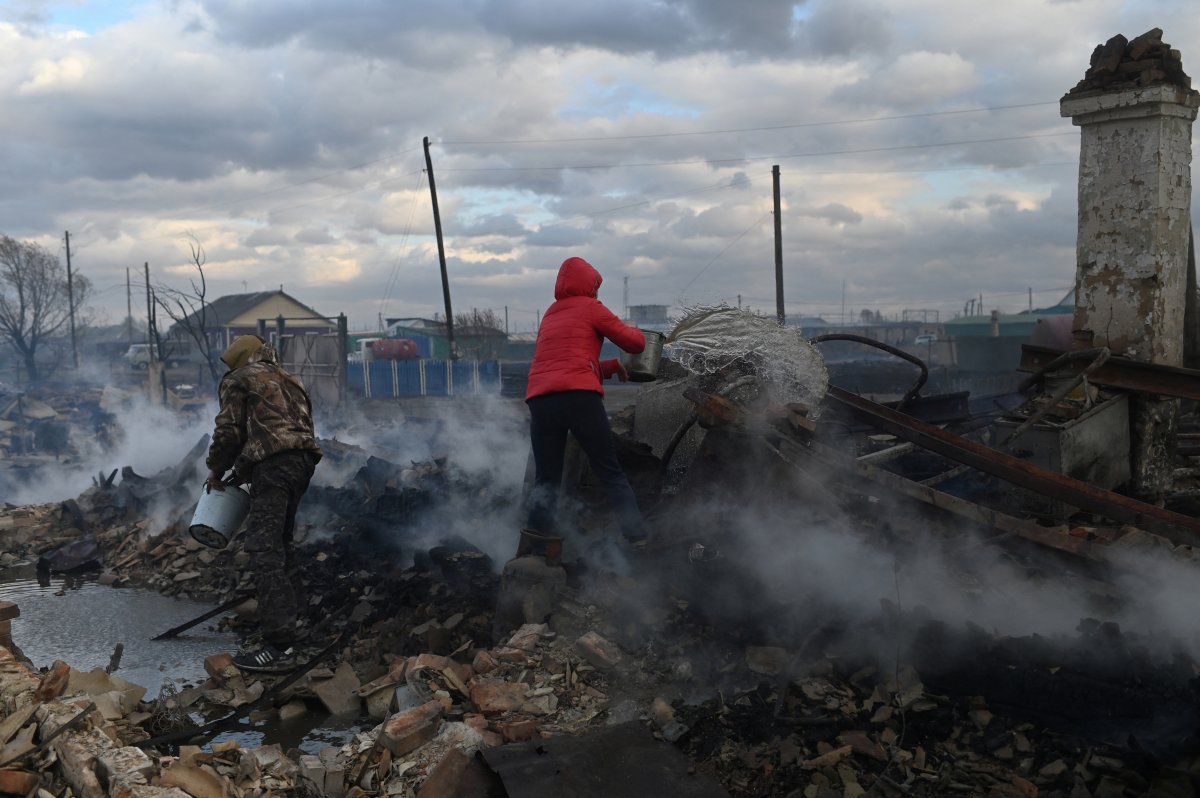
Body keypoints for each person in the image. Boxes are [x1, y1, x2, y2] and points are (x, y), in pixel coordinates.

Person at [205, 334, 322, 672]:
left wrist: (217, 468)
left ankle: (280, 646)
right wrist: (244, 470)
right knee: (281, 544)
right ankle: (299, 625)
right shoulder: (290, 379)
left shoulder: (238, 380)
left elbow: (228, 433)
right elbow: (286, 430)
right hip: (302, 464)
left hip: (274, 467)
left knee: (263, 547)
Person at [524, 256, 648, 546]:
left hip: (540, 401)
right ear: (590, 285)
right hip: (579, 399)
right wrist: (639, 330)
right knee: (609, 470)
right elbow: (636, 344)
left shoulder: (551, 314)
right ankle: (637, 539)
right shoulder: (592, 307)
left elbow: (565, 366)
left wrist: (611, 366)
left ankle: (533, 549)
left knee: (546, 480)